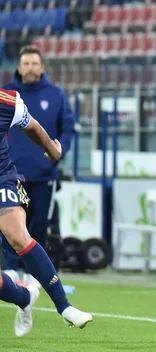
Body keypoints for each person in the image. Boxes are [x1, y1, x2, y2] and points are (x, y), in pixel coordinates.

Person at [0, 88, 92, 337]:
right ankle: (24, 297)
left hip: (2, 178)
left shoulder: (6, 101)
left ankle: (65, 307)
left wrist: (52, 149)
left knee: (18, 236)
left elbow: (32, 127)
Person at [2, 45, 77, 287]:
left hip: (44, 174)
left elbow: (67, 129)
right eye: (26, 63)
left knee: (40, 225)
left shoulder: (56, 94)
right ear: (19, 67)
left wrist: (58, 150)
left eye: (35, 63)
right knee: (10, 223)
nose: (30, 68)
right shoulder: (8, 95)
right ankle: (11, 270)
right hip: (12, 173)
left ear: (42, 67)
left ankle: (32, 274)